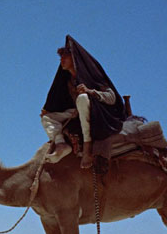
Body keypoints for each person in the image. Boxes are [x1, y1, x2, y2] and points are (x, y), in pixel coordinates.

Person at [41, 35, 126, 168]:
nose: (62, 60)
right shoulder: (68, 81)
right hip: (78, 113)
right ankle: (61, 144)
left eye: (65, 57)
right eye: (61, 57)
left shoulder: (91, 75)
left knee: (82, 98)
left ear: (74, 58)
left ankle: (87, 148)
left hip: (99, 114)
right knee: (47, 118)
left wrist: (90, 91)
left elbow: (111, 97)